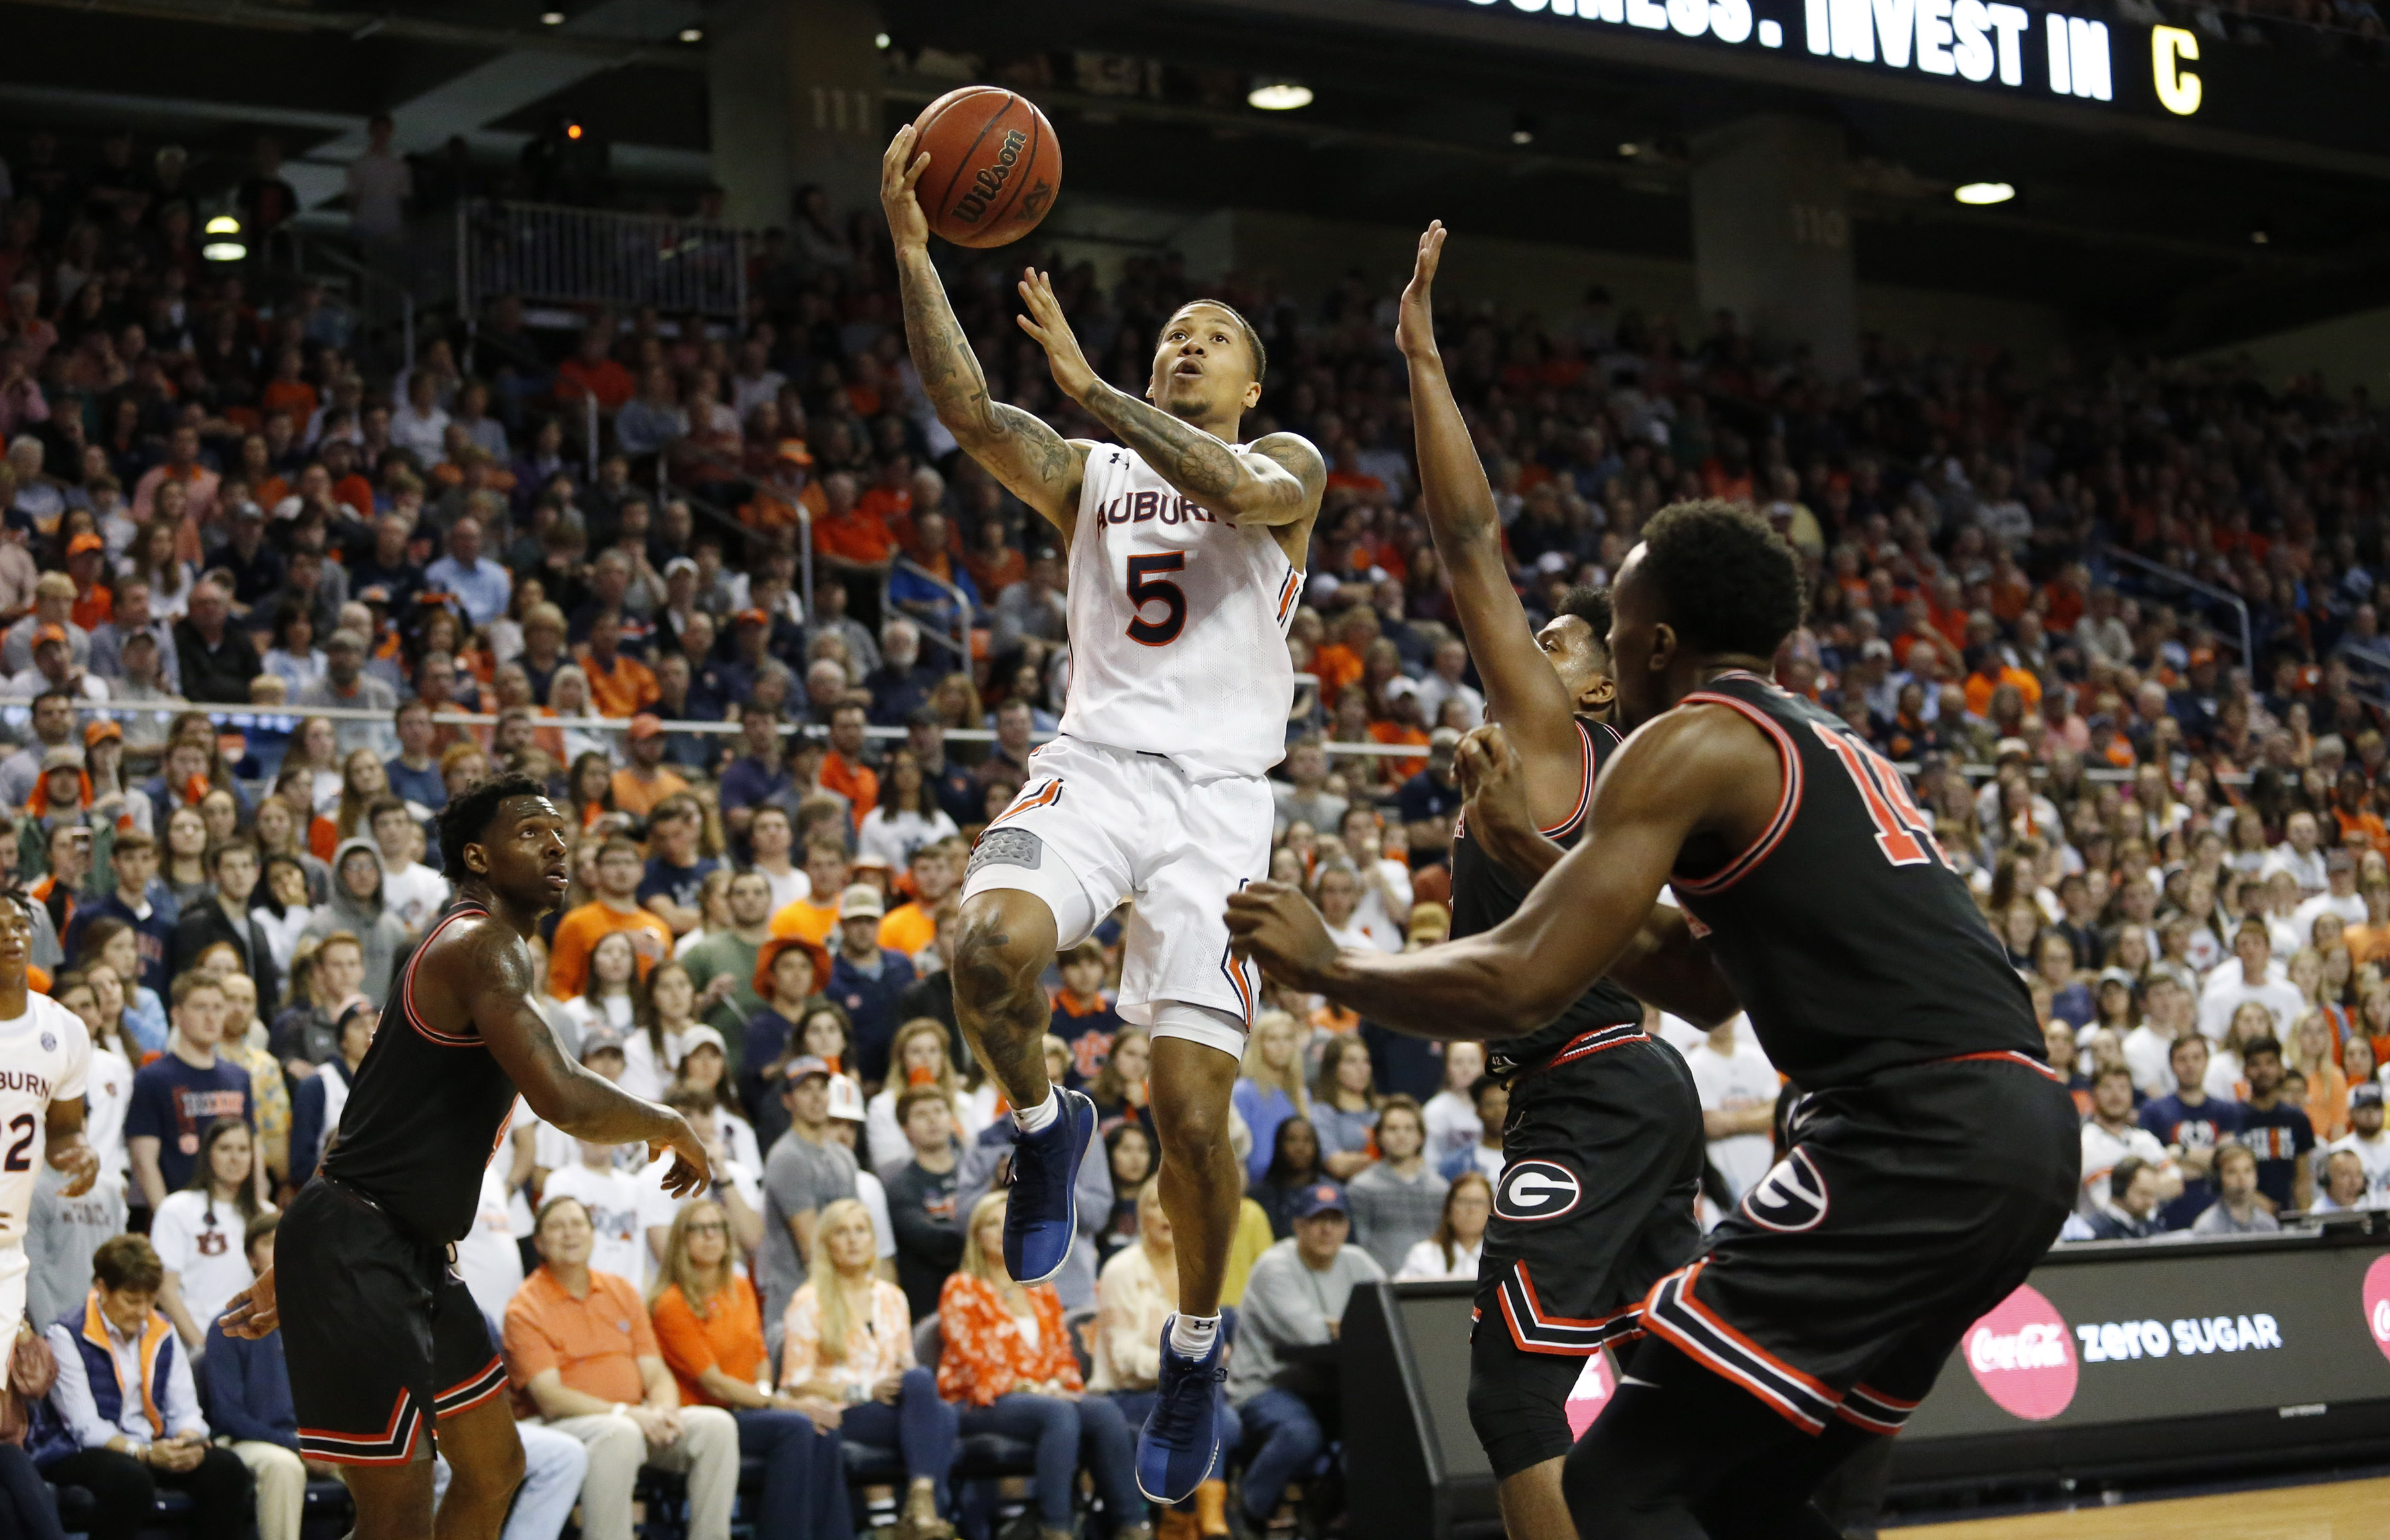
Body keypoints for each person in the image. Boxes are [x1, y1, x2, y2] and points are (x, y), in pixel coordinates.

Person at [1227, 498, 2078, 1538]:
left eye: (1612, 626)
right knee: (1744, 1495)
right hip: (2021, 1133)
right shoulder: (1820, 734)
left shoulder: (1687, 740)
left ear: (1653, 642)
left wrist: (1335, 966)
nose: (1606, 648)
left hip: (1906, 1131)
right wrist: (1534, 853)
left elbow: (1523, 985)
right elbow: (1699, 978)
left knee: (1621, 1493)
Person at [882, 123, 1330, 1505]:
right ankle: (1041, 1116)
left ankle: (1194, 1345)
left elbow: (1238, 485)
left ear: (1255, 379)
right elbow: (968, 412)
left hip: (1218, 807)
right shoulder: (1090, 469)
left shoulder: (1292, 467)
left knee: (1198, 1113)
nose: (1186, 344)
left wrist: (1087, 382)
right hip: (1096, 761)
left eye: (1214, 335)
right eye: (1174, 332)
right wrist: (912, 247)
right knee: (983, 946)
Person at [219, 772, 712, 1540]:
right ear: (477, 857)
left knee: (494, 1469)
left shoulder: (477, 948)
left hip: (393, 1245)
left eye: (559, 833)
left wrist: (300, 1260)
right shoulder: (479, 943)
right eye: (530, 833)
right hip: (362, 1247)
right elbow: (562, 1095)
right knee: (397, 1513)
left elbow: (370, 1120)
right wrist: (668, 1119)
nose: (556, 845)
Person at [504, 1195, 740, 1540]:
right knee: (620, 1434)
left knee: (717, 1426)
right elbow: (550, 1398)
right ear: (539, 1243)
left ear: (592, 1234)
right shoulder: (525, 1307)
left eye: (577, 1224)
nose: (569, 1234)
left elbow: (656, 1373)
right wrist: (626, 1414)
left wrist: (663, 1410)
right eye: (557, 1227)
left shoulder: (621, 1291)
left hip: (635, 1417)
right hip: (564, 1426)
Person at [937, 1192, 1149, 1540]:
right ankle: (1055, 1527)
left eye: (1010, 1219)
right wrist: (1039, 1390)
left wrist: (1061, 1385)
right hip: (980, 1401)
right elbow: (975, 1365)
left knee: (1104, 1412)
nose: (1003, 1228)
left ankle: (1131, 1525)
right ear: (977, 1236)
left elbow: (1062, 1355)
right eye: (992, 1223)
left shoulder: (1040, 1287)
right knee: (1058, 1415)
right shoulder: (962, 1289)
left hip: (1043, 1397)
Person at [648, 1200, 854, 1540]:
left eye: (718, 1227)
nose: (710, 1236)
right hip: (707, 1419)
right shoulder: (671, 1303)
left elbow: (760, 1354)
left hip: (750, 1409)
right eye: (698, 1229)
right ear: (680, 1240)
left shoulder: (740, 1288)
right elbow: (715, 1384)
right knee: (796, 1427)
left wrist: (762, 1396)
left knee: (824, 1431)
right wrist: (778, 1404)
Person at [31, 1233, 256, 1540]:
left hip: (153, 1445)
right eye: (132, 1300)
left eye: (150, 1300)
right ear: (101, 1289)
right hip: (79, 1450)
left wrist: (188, 1441)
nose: (142, 1311)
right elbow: (85, 1427)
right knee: (129, 1480)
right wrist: (146, 1453)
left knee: (226, 1469)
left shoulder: (162, 1329)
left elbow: (185, 1409)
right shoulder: (66, 1334)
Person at [778, 1198, 959, 1538]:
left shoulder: (892, 1297)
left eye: (861, 1230)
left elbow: (906, 1363)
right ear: (827, 1245)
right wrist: (864, 1390)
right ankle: (923, 1514)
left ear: (873, 1240)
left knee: (923, 1386)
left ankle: (900, 1516)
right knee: (942, 1417)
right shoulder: (809, 1300)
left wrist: (895, 1384)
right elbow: (795, 1383)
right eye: (842, 1233)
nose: (853, 1240)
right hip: (841, 1411)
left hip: (890, 1408)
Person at [1223, 1181, 1383, 1534]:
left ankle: (1335, 1513)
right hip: (1264, 1386)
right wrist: (1343, 1324)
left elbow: (1391, 1317)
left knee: (1381, 1426)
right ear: (1298, 1226)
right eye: (1316, 1220)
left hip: (1328, 1387)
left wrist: (1338, 1325)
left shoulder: (1357, 1261)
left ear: (1346, 1226)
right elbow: (1309, 1335)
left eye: (1335, 1220)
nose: (1327, 1229)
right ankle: (1248, 1509)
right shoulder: (1274, 1266)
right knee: (1300, 1433)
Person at [0, 891, 100, 1332]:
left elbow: (62, 1133)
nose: (11, 937)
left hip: (11, 1241)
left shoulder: (64, 1030)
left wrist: (80, 1153)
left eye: (19, 926)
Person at [202, 1214, 310, 1540]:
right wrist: (295, 1446)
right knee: (283, 1467)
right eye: (267, 1242)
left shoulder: (316, 1320)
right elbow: (229, 1415)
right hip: (246, 1441)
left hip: (308, 1441)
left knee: (377, 1465)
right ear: (251, 1258)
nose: (279, 1249)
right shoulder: (229, 1325)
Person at [125, 970, 252, 1211]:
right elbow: (143, 1160)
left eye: (218, 1008)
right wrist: (165, 1217)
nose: (211, 1017)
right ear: (176, 1015)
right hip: (180, 1207)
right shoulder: (152, 1078)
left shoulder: (240, 1077)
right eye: (200, 1007)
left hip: (233, 1209)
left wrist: (252, 1211)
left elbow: (252, 1149)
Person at [757, 1056, 860, 1334]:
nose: (816, 1098)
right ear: (788, 1101)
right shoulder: (787, 1158)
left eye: (822, 1088)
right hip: (799, 1305)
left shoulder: (843, 1157)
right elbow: (812, 1248)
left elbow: (859, 1231)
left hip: (840, 1298)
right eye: (805, 1090)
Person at [151, 1116, 272, 1351]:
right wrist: (202, 1347)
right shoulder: (177, 1209)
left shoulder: (267, 1215)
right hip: (196, 1343)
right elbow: (165, 1290)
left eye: (243, 1149)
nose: (235, 1158)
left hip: (256, 1348)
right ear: (208, 1155)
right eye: (225, 1148)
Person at [885, 1085, 965, 1321]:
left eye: (939, 1111)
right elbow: (932, 1241)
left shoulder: (974, 1174)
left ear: (952, 1120)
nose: (933, 1120)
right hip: (931, 1306)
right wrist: (981, 1232)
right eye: (921, 1114)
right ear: (905, 1129)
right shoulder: (901, 1186)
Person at [1343, 1096, 1442, 1274]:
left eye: (1409, 1129)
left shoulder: (1441, 1189)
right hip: (1383, 1284)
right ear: (1378, 1136)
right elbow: (1360, 1247)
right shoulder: (1360, 1188)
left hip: (1434, 1285)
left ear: (1421, 1137)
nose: (1401, 1135)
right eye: (1392, 1129)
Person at [289, 996, 376, 1182]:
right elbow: (301, 1164)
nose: (370, 1031)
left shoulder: (389, 1083)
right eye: (359, 1026)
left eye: (376, 1024)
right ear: (342, 1040)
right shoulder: (318, 1084)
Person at [2239, 1034, 2316, 1211]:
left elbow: (2303, 1179)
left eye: (2270, 1063)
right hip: (2243, 1216)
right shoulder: (2233, 1116)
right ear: (2245, 1071)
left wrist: (2305, 1219)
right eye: (2255, 1064)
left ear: (2282, 1069)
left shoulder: (2297, 1119)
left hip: (2288, 1216)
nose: (2263, 1070)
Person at [1398, 1171, 1494, 1282]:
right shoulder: (1423, 1255)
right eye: (1464, 1201)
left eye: (1479, 1202)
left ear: (1491, 1211)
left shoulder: (1501, 1259)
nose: (1471, 1209)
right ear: (1449, 1209)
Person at [2191, 1143, 2281, 1234]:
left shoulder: (2269, 1225)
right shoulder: (2207, 1227)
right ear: (2219, 1179)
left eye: (2248, 1171)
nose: (2242, 1180)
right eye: (2232, 1172)